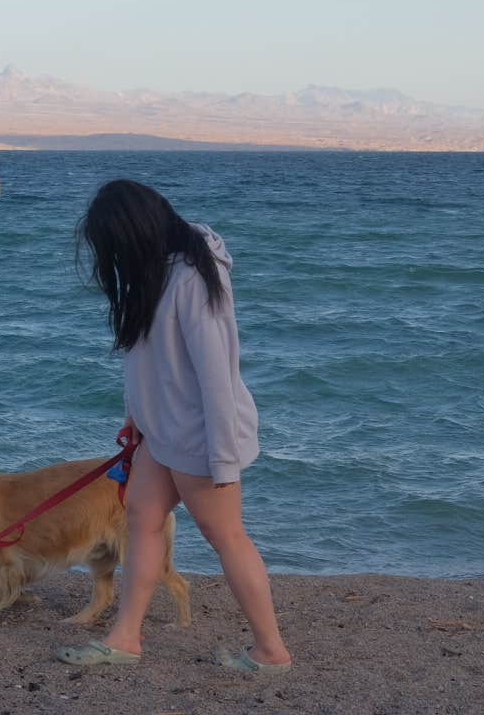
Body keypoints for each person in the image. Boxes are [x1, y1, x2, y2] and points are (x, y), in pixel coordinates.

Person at [55, 179, 294, 673]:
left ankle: (271, 651)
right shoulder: (154, 271)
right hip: (162, 432)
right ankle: (125, 637)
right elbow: (145, 357)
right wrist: (135, 416)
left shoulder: (192, 280)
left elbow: (216, 373)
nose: (113, 259)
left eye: (114, 245)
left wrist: (222, 456)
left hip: (200, 437)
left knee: (227, 536)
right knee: (142, 517)